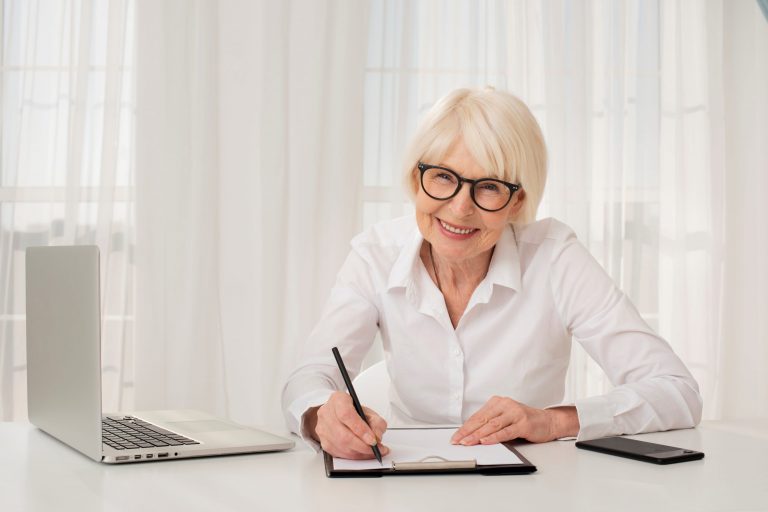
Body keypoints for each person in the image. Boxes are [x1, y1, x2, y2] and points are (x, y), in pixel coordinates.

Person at [281, 87, 702, 460]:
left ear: (517, 202)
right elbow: (309, 377)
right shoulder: (375, 254)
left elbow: (677, 391)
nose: (460, 208)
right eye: (444, 177)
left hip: (531, 488)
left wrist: (552, 422)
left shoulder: (556, 258)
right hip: (407, 485)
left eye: (488, 187)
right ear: (416, 179)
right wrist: (321, 417)